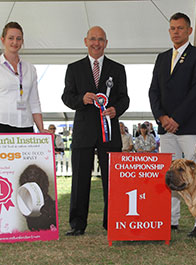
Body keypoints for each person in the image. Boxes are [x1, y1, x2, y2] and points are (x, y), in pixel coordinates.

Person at [61, 26, 129, 236]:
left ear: (106, 43)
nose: (96, 43)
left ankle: (112, 223)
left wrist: (115, 109)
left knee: (112, 181)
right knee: (80, 180)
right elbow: (66, 97)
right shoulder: (74, 68)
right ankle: (77, 225)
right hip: (83, 133)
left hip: (110, 133)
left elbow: (124, 98)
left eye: (100, 40)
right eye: (93, 39)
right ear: (85, 41)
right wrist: (81, 99)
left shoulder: (117, 69)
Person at [149, 12, 196, 236]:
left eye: (181, 28)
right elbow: (153, 90)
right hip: (166, 129)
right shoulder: (162, 57)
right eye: (173, 28)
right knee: (171, 176)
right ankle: (172, 220)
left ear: (190, 31)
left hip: (190, 126)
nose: (176, 32)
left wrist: (177, 119)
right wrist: (162, 118)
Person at [0, 22, 47, 133]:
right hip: (2, 124)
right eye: (11, 38)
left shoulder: (30, 68)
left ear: (22, 41)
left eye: (19, 38)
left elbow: (34, 101)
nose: (15, 42)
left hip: (26, 125)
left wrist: (41, 129)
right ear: (3, 40)